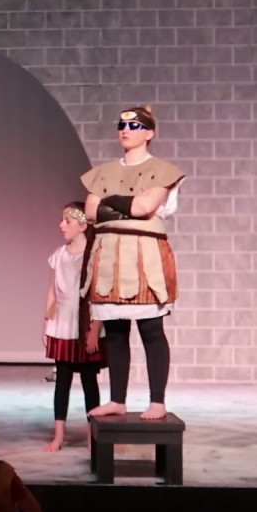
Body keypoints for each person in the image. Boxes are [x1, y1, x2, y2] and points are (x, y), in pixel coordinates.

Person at [81, 105, 186, 421]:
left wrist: (111, 201)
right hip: (109, 253)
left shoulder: (162, 170)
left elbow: (145, 207)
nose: (126, 130)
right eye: (122, 125)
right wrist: (129, 206)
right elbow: (90, 211)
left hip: (143, 253)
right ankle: (117, 399)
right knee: (115, 330)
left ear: (150, 133)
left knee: (151, 328)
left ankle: (157, 401)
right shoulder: (104, 171)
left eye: (135, 126)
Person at [43, 202, 105, 452]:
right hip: (62, 325)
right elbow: (52, 292)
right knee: (62, 380)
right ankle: (59, 435)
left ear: (81, 225)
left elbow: (99, 294)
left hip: (84, 325)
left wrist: (95, 329)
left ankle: (93, 435)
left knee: (89, 381)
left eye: (67, 221)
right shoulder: (59, 255)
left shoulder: (94, 255)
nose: (61, 225)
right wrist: (47, 323)